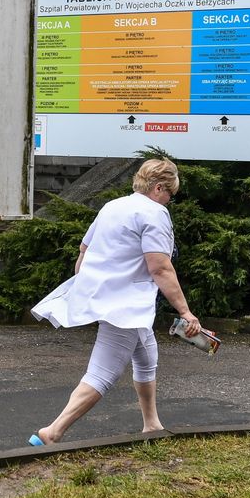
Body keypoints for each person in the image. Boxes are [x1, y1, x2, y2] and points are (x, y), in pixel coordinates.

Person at [27, 158, 203, 446]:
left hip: (108, 298)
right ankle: (53, 431)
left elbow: (83, 253)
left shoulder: (113, 206)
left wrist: (89, 291)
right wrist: (186, 312)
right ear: (159, 188)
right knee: (102, 373)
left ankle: (151, 424)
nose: (170, 200)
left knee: (146, 356)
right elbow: (159, 268)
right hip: (126, 305)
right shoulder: (154, 214)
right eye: (171, 194)